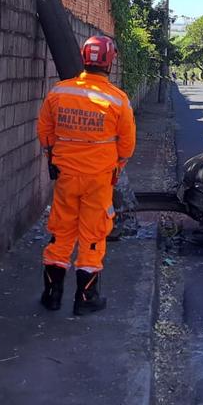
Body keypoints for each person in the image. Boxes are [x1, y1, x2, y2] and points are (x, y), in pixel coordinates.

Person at [36, 35, 136, 315]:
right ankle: (85, 298)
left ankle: (52, 296)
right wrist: (115, 169)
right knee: (92, 235)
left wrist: (53, 159)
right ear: (109, 61)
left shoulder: (59, 92)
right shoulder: (117, 100)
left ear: (84, 58)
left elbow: (45, 132)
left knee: (61, 231)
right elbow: (127, 146)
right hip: (99, 179)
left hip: (66, 176)